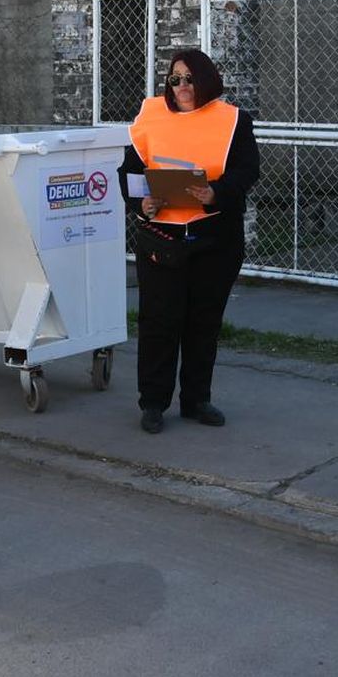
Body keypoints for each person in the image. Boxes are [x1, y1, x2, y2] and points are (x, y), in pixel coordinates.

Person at [118, 49, 259, 434]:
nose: (181, 87)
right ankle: (153, 403)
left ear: (206, 79)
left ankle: (197, 400)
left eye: (189, 79)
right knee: (159, 322)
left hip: (214, 237)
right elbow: (129, 171)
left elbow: (249, 170)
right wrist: (141, 202)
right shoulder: (152, 116)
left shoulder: (233, 121)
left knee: (203, 323)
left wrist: (216, 193)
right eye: (175, 79)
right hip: (161, 237)